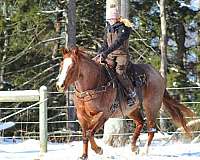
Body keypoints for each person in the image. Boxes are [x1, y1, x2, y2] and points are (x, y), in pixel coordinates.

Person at [97, 5, 136, 106]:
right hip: (110, 54)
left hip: (121, 55)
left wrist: (106, 52)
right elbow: (105, 43)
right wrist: (100, 53)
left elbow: (117, 43)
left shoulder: (123, 28)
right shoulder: (108, 28)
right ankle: (109, 95)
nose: (109, 21)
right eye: (108, 19)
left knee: (119, 72)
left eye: (111, 18)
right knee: (103, 69)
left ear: (115, 18)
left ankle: (131, 93)